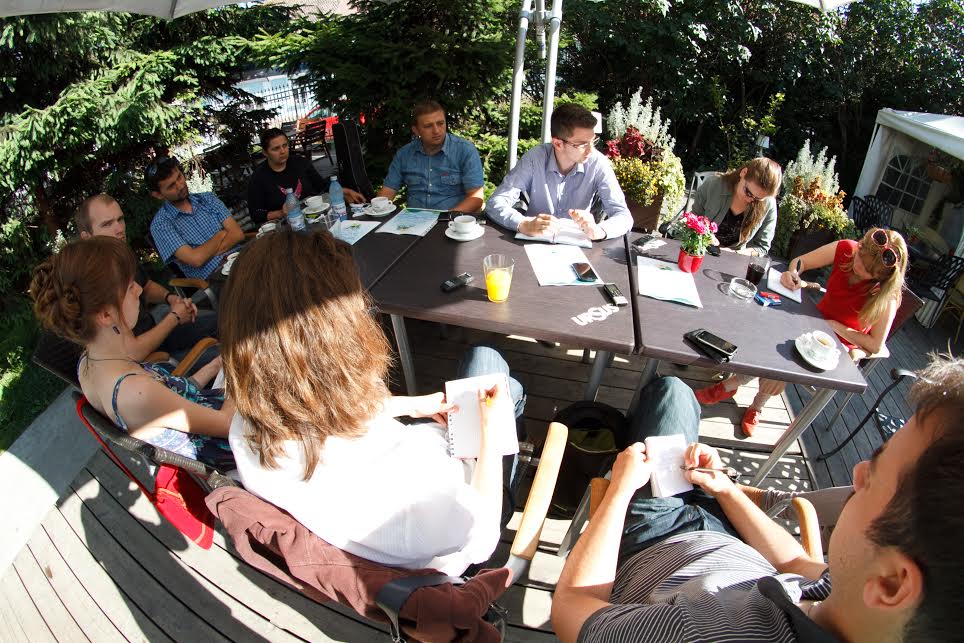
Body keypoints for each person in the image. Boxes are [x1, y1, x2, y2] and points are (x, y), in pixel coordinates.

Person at [552, 354, 964, 643]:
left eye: (873, 474)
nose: (857, 472)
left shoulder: (700, 633)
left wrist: (620, 490)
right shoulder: (852, 596)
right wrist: (726, 490)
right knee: (675, 397)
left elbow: (573, 606)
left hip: (655, 540)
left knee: (671, 391)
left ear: (893, 584)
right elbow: (796, 563)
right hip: (726, 527)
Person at [221, 229, 525, 575]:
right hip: (469, 496)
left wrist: (408, 406)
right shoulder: (412, 501)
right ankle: (513, 465)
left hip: (420, 461)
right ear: (337, 335)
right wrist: (489, 440)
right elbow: (482, 539)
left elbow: (324, 417)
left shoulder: (247, 428)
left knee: (491, 375)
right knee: (494, 370)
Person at [30, 237, 234, 469]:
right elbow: (227, 424)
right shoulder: (135, 391)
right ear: (106, 315)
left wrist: (216, 365)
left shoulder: (90, 363)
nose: (139, 289)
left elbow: (175, 398)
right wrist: (243, 368)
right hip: (235, 446)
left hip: (215, 410)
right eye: (129, 287)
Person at [696, 228, 909, 436]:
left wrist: (836, 326)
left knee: (788, 358)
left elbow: (876, 345)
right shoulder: (847, 249)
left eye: (867, 270)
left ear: (881, 277)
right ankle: (749, 399)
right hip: (812, 321)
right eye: (860, 256)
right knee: (772, 330)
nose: (858, 265)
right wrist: (794, 274)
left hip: (837, 347)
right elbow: (801, 261)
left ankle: (741, 392)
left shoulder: (887, 295)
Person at [75, 193, 219, 365]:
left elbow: (146, 286)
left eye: (120, 220)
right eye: (107, 224)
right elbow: (133, 353)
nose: (119, 229)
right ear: (87, 237)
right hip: (151, 365)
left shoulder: (121, 254)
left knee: (226, 322)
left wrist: (171, 298)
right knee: (226, 353)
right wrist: (174, 317)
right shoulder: (93, 282)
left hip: (158, 335)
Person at [486, 103, 633, 241]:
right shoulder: (535, 158)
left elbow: (624, 215)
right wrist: (523, 224)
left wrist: (599, 230)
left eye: (593, 141)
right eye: (582, 144)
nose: (591, 150)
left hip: (578, 245)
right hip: (534, 241)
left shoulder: (598, 163)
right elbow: (495, 202)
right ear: (558, 143)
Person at [368, 100, 484, 212]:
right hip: (413, 221)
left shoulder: (465, 150)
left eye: (440, 123)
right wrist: (375, 210)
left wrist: (446, 217)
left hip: (451, 221)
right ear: (416, 130)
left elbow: (476, 198)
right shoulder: (404, 154)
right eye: (428, 126)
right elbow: (388, 191)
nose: (436, 131)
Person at [147, 156, 246, 279]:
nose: (180, 185)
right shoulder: (161, 224)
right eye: (171, 186)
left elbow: (237, 234)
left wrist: (204, 253)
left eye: (179, 177)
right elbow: (196, 260)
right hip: (215, 277)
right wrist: (221, 234)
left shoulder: (207, 198)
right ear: (158, 194)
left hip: (241, 258)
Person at [690, 157, 783, 256]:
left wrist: (736, 253)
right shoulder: (714, 185)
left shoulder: (768, 204)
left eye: (758, 199)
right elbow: (692, 219)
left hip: (735, 258)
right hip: (700, 250)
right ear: (743, 173)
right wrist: (704, 235)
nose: (750, 200)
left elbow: (762, 247)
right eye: (748, 192)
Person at [247, 128, 337, 225]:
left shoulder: (301, 163)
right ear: (265, 153)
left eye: (285, 145)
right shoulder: (258, 178)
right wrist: (280, 213)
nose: (282, 151)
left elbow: (322, 185)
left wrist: (342, 190)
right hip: (285, 226)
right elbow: (256, 214)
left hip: (315, 217)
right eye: (276, 148)